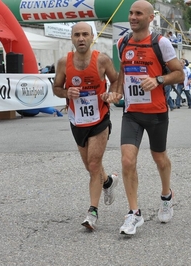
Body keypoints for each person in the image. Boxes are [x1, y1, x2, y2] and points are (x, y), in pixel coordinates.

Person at [107, 0, 184, 235]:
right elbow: (122, 73)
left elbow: (179, 73)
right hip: (132, 114)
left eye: (138, 13)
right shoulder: (122, 42)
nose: (132, 17)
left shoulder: (160, 43)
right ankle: (134, 213)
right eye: (131, 13)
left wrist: (158, 80)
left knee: (160, 158)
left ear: (150, 18)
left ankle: (166, 195)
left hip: (157, 112)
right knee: (127, 161)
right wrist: (116, 91)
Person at [52, 22, 119, 230]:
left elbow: (116, 81)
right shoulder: (64, 62)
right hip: (77, 121)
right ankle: (107, 182)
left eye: (85, 35)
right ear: (72, 39)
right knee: (91, 168)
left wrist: (112, 94)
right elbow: (56, 88)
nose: (81, 38)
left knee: (93, 165)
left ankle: (92, 212)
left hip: (100, 119)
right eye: (77, 35)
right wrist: (66, 92)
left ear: (92, 37)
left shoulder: (102, 60)